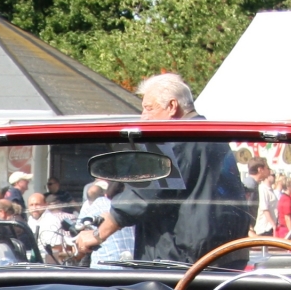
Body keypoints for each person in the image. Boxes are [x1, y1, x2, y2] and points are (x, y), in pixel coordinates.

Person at [77, 73, 252, 266]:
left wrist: (97, 234)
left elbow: (143, 195)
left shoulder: (175, 138)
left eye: (148, 109)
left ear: (172, 106)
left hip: (180, 261)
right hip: (220, 255)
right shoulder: (209, 135)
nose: (143, 118)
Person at [250, 160, 277, 235]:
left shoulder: (269, 190)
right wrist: (273, 225)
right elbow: (264, 208)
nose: (274, 177)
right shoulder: (260, 188)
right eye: (273, 175)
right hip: (264, 229)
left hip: (268, 227)